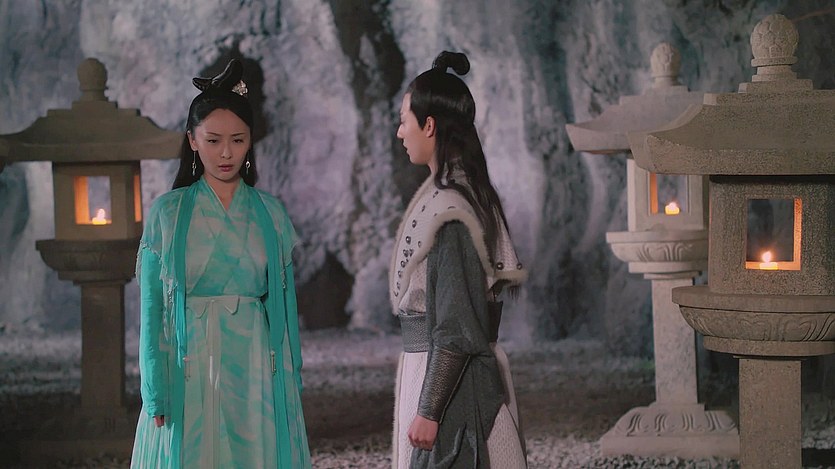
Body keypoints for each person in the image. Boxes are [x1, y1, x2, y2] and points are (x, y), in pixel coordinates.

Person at [130, 59, 311, 468]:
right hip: (188, 360)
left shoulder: (270, 213)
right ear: (192, 141)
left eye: (238, 140)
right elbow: (152, 310)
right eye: (213, 140)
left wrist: (290, 379)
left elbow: (284, 310)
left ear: (250, 142)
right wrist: (155, 389)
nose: (226, 153)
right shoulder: (168, 213)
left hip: (254, 361)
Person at [391, 51, 528, 469]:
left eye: (405, 120)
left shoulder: (451, 209)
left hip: (449, 375)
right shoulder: (467, 192)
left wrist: (429, 409)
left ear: (429, 125)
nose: (400, 132)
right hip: (449, 365)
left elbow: (454, 324)